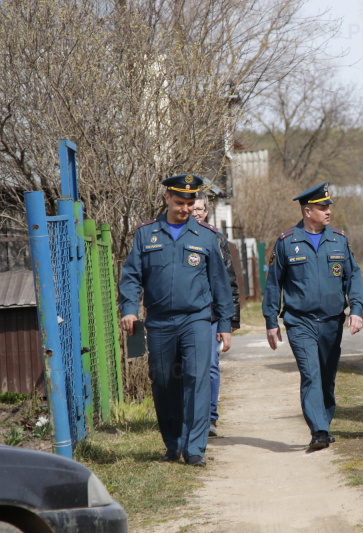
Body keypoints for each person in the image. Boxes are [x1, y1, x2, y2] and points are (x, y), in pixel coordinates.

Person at [118, 174, 233, 466]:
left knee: (197, 378)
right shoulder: (146, 234)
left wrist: (225, 325)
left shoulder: (206, 236)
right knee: (163, 380)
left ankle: (195, 448)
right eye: (179, 202)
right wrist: (130, 309)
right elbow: (132, 276)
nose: (185, 208)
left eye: (190, 202)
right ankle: (173, 444)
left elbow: (220, 284)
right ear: (167, 198)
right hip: (158, 321)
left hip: (196, 319)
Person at [263, 181, 363, 451]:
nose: (328, 211)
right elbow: (274, 284)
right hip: (300, 322)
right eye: (322, 207)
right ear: (308, 211)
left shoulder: (339, 240)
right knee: (310, 374)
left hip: (332, 321)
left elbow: (352, 277)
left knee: (327, 377)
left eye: (329, 206)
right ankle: (318, 430)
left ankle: (325, 423)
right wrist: (271, 321)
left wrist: (356, 309)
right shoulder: (287, 242)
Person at [192, 193, 241, 438]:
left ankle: (211, 417)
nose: (195, 213)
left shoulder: (216, 238)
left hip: (211, 314)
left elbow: (228, 281)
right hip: (187, 314)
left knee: (211, 364)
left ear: (206, 212)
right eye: (193, 208)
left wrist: (230, 321)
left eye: (200, 209)